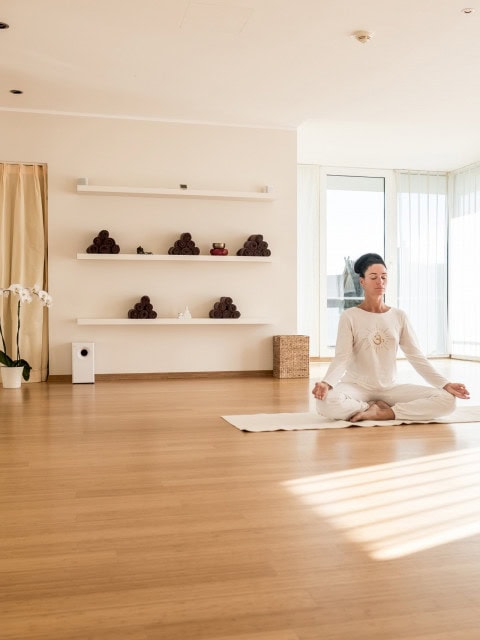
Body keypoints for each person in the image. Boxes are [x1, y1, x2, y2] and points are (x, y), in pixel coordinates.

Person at [312, 252, 470, 422]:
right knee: (326, 402)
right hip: (357, 387)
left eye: (384, 277)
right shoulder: (349, 316)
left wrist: (445, 384)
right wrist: (327, 383)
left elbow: (416, 357)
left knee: (447, 401)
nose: (380, 281)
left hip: (390, 388)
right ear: (362, 281)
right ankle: (369, 407)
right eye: (373, 277)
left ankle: (386, 412)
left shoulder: (399, 316)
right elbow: (342, 358)